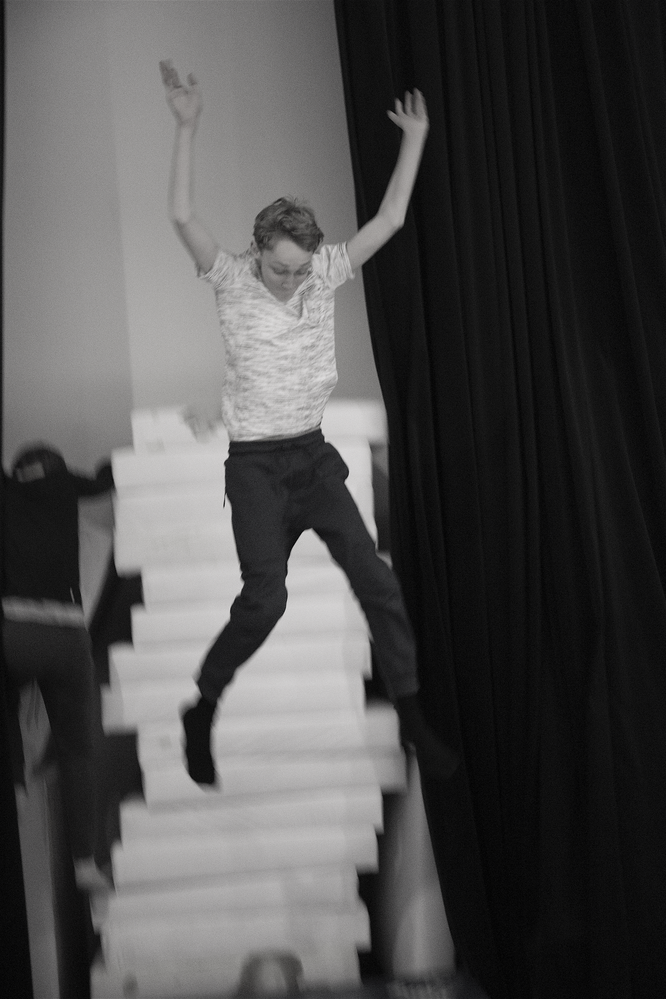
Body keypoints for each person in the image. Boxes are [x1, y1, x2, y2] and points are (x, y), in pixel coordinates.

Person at [160, 60, 459, 787]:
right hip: (256, 469)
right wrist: (188, 127)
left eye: (301, 270)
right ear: (258, 250)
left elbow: (389, 219)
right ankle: (203, 706)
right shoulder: (230, 279)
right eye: (281, 269)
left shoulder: (324, 273)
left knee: (377, 582)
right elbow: (182, 217)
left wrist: (415, 139)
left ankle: (412, 715)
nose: (292, 281)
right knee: (266, 601)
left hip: (313, 460)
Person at [2, 443, 114, 893]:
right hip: (67, 635)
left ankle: (15, 786)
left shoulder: (7, 489)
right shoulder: (67, 483)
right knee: (77, 752)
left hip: (14, 630)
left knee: (7, 708)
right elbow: (107, 477)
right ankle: (85, 864)